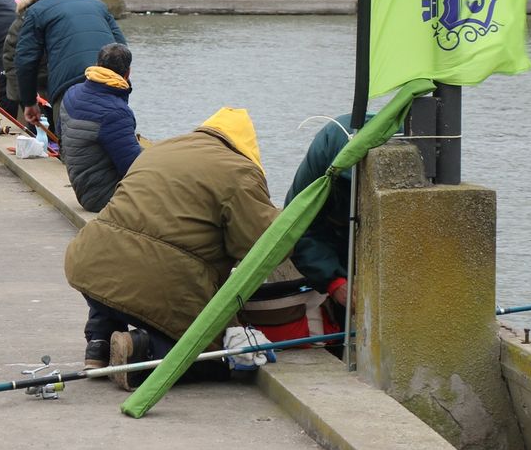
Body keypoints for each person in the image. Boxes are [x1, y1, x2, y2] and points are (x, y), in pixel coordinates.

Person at [64, 107, 279, 385]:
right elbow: (260, 243)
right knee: (213, 358)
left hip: (89, 262)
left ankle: (99, 342)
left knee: (115, 266)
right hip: (156, 283)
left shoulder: (159, 150)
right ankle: (140, 351)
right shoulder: (241, 171)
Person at [14, 0, 125, 131]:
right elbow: (121, 46)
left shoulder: (37, 10)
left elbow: (25, 60)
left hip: (68, 86)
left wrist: (29, 102)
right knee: (113, 135)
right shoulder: (97, 4)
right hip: (109, 80)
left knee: (69, 138)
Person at [285, 114, 359, 322]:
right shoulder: (327, 147)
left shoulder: (419, 145)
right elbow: (297, 224)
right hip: (336, 244)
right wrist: (333, 281)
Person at [57, 43, 142, 212]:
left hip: (83, 187)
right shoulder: (115, 112)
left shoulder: (72, 92)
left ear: (97, 65)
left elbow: (60, 135)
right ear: (128, 73)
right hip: (105, 197)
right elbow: (133, 168)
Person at [0, 0, 56, 130]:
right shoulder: (24, 20)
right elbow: (11, 60)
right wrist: (26, 98)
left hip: (52, 87)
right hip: (35, 91)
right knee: (39, 130)